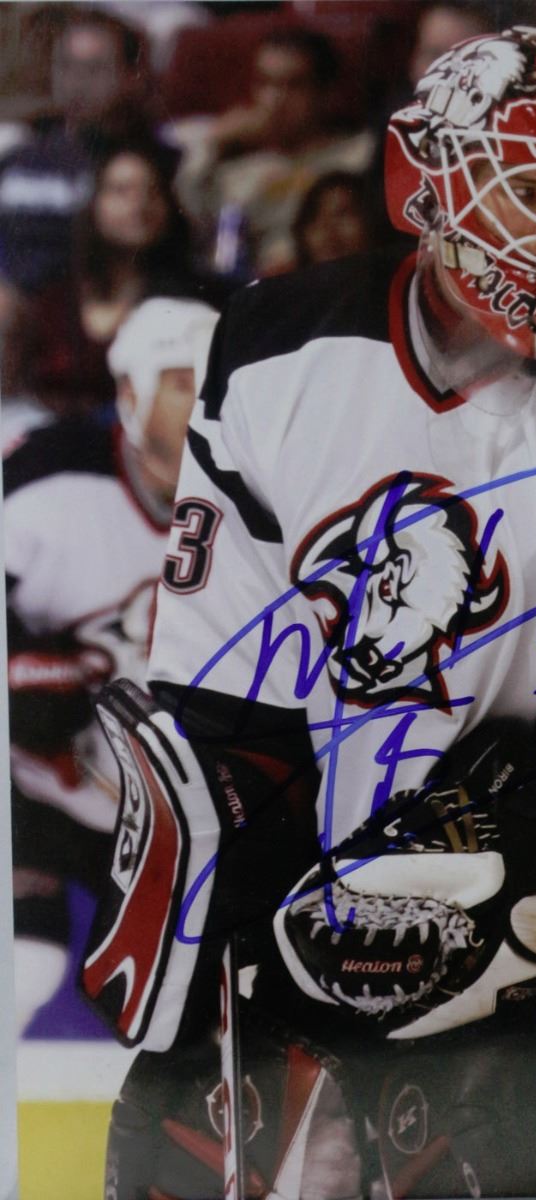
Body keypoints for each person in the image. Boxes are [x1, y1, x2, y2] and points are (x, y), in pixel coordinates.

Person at [92, 27, 536, 1199]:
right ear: (426, 181)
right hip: (304, 919)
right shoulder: (274, 348)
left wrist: (459, 909)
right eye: (527, 192)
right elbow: (224, 698)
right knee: (182, 1151)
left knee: (525, 1158)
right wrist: (244, 908)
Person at [6, 296, 219, 1035]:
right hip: (32, 782)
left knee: (196, 1003)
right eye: (184, 383)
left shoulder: (262, 499)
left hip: (165, 802)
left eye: (218, 384)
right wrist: (37, 674)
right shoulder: (45, 475)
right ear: (130, 393)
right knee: (24, 963)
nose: (206, 403)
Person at [22, 140, 228, 417]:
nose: (139, 204)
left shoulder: (195, 296)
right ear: (94, 203)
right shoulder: (55, 294)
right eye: (121, 191)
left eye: (152, 191)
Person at [173, 26, 374, 275]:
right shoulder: (239, 172)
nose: (274, 100)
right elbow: (190, 214)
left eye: (293, 85)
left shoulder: (361, 155)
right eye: (264, 83)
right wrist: (214, 142)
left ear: (325, 92)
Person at [0, 7, 154, 297]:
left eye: (94, 69)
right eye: (66, 66)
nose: (76, 81)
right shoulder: (18, 157)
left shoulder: (143, 165)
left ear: (131, 76)